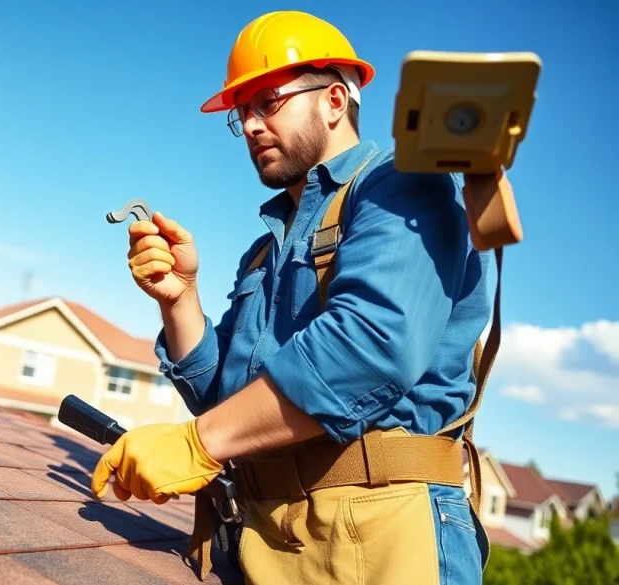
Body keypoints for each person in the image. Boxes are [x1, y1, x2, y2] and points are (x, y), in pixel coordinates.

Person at [90, 10, 499, 585]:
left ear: (335, 99)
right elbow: (232, 403)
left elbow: (370, 348)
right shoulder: (266, 249)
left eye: (268, 102)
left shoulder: (402, 184)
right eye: (242, 114)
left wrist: (197, 444)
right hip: (268, 534)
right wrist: (179, 300)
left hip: (381, 529)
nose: (252, 125)